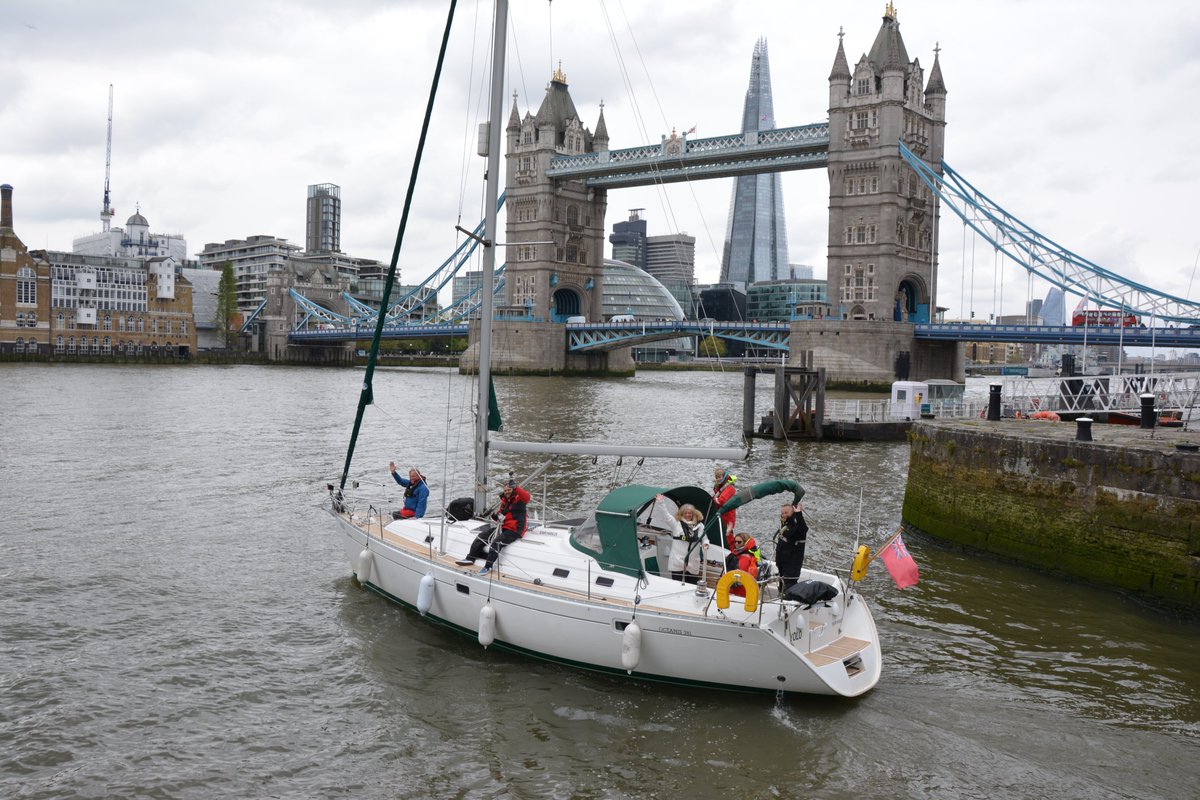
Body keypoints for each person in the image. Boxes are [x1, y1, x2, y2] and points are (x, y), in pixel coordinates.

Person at [455, 480, 532, 575]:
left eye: (509, 489)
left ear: (514, 489)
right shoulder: (504, 502)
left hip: (515, 530)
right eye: (505, 490)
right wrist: (494, 516)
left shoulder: (519, 499)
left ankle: (488, 566)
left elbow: (527, 497)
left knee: (496, 543)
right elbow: (499, 517)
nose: (507, 492)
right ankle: (470, 558)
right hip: (503, 527)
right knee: (481, 536)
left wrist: (516, 487)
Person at [661, 498, 705, 584]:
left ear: (693, 514)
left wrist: (706, 544)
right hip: (678, 562)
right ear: (681, 514)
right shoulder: (676, 524)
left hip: (693, 564)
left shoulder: (700, 525)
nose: (688, 515)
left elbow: (704, 538)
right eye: (685, 513)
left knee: (692, 586)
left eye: (690, 513)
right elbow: (666, 516)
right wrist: (661, 503)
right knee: (677, 585)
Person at [773, 501, 808, 592]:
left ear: (792, 513)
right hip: (782, 561)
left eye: (786, 513)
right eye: (782, 513)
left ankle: (787, 601)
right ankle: (781, 594)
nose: (784, 515)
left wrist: (799, 514)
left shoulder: (797, 524)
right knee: (782, 582)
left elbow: (804, 529)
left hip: (792, 563)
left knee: (789, 585)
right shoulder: (785, 524)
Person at [724, 532, 760, 597]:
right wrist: (729, 534)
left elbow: (740, 577)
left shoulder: (745, 558)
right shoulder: (738, 551)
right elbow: (732, 544)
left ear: (745, 543)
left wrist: (725, 583)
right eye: (735, 542)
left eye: (739, 542)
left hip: (738, 592)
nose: (736, 544)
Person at [711, 467, 738, 537]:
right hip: (723, 516)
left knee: (728, 536)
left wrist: (714, 499)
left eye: (719, 477)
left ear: (724, 477)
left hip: (728, 517)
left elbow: (721, 501)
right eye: (716, 477)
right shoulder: (720, 488)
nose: (718, 479)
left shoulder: (730, 488)